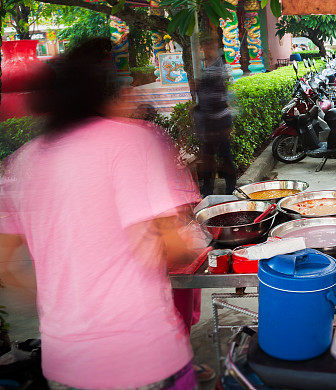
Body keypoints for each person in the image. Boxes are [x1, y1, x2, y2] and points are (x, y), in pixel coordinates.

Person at [0, 38, 201, 389]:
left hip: (67, 363)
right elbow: (177, 247)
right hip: (143, 355)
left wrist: (65, 296)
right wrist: (192, 237)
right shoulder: (131, 142)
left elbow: (5, 267)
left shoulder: (22, 163)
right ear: (100, 94)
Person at [194, 37, 236, 196]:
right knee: (209, 159)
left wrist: (199, 85)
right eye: (203, 49)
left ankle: (230, 189)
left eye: (208, 48)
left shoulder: (220, 67)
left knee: (224, 156)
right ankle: (208, 190)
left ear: (214, 48)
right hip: (209, 122)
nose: (205, 52)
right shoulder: (207, 68)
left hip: (219, 121)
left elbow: (218, 91)